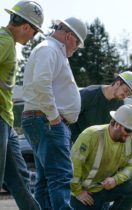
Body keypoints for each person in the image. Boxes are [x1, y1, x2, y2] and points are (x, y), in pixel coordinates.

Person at [21, 17, 88, 209]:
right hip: (48, 122)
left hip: (43, 121)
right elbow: (41, 84)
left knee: (45, 180)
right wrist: (55, 118)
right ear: (68, 36)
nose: (75, 49)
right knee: (60, 176)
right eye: (77, 43)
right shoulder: (49, 49)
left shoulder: (50, 50)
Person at [0, 1, 44, 209]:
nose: (32, 38)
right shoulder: (4, 41)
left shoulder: (7, 41)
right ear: (26, 27)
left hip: (6, 120)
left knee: (20, 179)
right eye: (34, 32)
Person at [70, 104, 132, 210]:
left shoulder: (130, 140)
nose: (129, 135)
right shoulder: (91, 135)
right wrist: (77, 192)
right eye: (127, 130)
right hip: (85, 193)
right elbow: (74, 165)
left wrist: (115, 180)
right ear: (116, 124)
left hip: (105, 189)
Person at [70, 71, 132, 143]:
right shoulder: (89, 94)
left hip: (96, 146)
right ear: (117, 83)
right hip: (75, 142)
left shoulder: (119, 104)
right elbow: (69, 117)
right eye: (126, 90)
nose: (125, 96)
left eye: (129, 94)